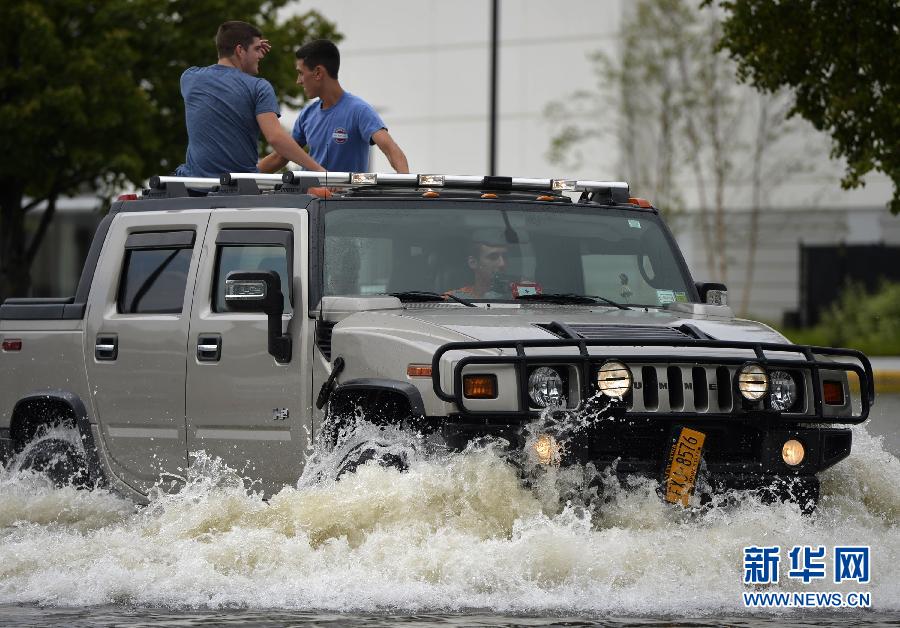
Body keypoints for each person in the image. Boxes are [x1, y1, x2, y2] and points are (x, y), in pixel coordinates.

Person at [176, 21, 324, 178]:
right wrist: (320, 171)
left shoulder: (190, 78)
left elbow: (221, 75)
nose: (260, 55)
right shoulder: (259, 87)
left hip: (191, 187)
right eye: (257, 49)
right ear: (240, 50)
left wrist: (250, 47)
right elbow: (276, 138)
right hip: (236, 191)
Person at [258, 39, 409, 174]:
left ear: (318, 73)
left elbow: (391, 150)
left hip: (342, 204)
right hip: (309, 203)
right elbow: (280, 156)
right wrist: (243, 177)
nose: (299, 81)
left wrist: (408, 187)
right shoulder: (307, 114)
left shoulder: (359, 110)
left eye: (301, 73)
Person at [445, 240, 510, 299]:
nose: (502, 264)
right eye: (493, 257)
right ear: (473, 263)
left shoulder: (518, 295)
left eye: (505, 257)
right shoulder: (452, 298)